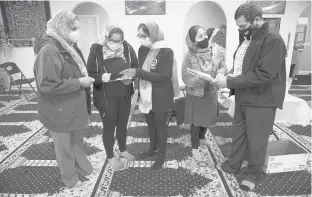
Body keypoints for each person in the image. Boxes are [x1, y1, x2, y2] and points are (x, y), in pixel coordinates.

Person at [213, 2, 287, 191]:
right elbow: (242, 67)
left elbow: (263, 74)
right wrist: (228, 75)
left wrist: (229, 82)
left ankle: (253, 174)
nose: (240, 29)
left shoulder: (273, 40)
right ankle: (233, 164)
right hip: (244, 96)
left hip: (262, 100)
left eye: (243, 25)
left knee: (257, 139)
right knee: (239, 134)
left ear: (257, 19)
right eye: (238, 25)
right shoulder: (249, 36)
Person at [33, 10, 94, 189]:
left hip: (71, 106)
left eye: (77, 28)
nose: (77, 31)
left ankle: (82, 168)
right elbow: (46, 84)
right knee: (63, 147)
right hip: (58, 109)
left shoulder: (67, 45)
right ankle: (70, 179)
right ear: (61, 28)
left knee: (76, 141)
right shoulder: (50, 50)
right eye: (73, 28)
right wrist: (78, 82)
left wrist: (80, 82)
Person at [120, 21, 176, 170]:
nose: (141, 38)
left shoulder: (166, 51)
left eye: (144, 35)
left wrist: (138, 73)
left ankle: (161, 156)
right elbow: (140, 70)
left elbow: (162, 76)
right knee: (150, 124)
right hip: (146, 94)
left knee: (160, 126)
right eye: (139, 35)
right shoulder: (142, 49)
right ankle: (152, 149)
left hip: (160, 94)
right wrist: (133, 82)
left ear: (153, 34)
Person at [86, 25, 138, 170]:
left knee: (122, 124)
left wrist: (131, 77)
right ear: (106, 38)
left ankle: (123, 150)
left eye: (119, 41)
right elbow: (89, 74)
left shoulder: (127, 48)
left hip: (124, 94)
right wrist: (100, 77)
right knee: (109, 127)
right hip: (106, 97)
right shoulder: (96, 50)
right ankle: (110, 156)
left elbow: (135, 66)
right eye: (113, 41)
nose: (116, 44)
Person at [182, 25, 227, 160]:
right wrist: (200, 79)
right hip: (196, 94)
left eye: (205, 35)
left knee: (207, 119)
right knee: (196, 122)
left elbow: (223, 67)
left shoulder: (215, 52)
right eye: (200, 36)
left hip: (211, 92)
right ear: (194, 41)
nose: (205, 38)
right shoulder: (188, 56)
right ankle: (194, 147)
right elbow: (185, 78)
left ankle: (202, 138)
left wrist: (219, 74)